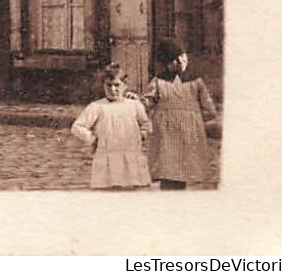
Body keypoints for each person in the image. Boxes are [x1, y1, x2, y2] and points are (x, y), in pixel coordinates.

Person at [144, 37, 218, 189]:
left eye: (182, 57)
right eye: (174, 60)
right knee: (168, 174)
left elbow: (210, 111)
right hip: (166, 138)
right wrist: (137, 101)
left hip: (188, 137)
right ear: (166, 63)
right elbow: (146, 103)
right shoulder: (158, 82)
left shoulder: (196, 82)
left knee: (183, 174)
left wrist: (194, 119)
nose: (180, 62)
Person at [70, 62, 152, 190]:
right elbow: (77, 127)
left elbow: (146, 123)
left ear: (125, 86)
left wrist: (142, 134)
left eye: (117, 85)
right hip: (107, 155)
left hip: (131, 154)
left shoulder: (134, 105)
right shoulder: (97, 106)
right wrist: (92, 139)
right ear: (103, 86)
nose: (113, 89)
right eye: (109, 85)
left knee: (133, 191)